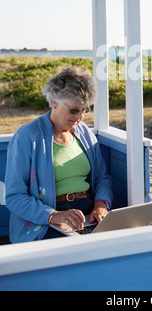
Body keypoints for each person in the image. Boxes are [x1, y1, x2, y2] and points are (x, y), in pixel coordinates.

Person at [5, 66, 113, 243]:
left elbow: (102, 178)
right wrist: (54, 216)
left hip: (87, 214)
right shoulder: (27, 137)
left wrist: (101, 205)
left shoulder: (84, 133)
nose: (80, 117)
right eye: (73, 110)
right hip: (44, 221)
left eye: (85, 109)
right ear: (54, 102)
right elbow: (14, 197)